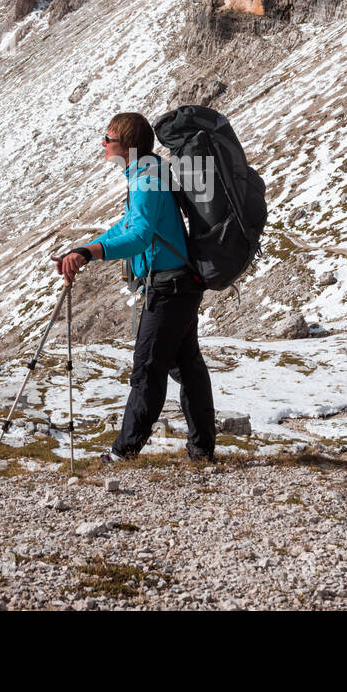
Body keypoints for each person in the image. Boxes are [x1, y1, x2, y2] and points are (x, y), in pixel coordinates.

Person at [54, 112, 217, 462]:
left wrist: (89, 252)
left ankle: (124, 452)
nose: (103, 143)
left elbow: (139, 236)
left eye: (108, 138)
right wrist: (83, 251)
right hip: (181, 284)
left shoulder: (145, 179)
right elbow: (128, 224)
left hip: (170, 288)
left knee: (147, 369)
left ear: (125, 145)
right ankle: (202, 450)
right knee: (186, 365)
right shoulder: (151, 171)